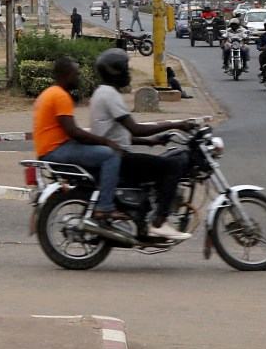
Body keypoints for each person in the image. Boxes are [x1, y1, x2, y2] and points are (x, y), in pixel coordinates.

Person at [87, 49, 197, 241]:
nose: (129, 73)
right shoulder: (109, 95)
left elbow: (119, 134)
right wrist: (177, 124)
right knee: (172, 166)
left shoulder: (102, 92)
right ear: (116, 72)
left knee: (158, 165)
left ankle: (146, 215)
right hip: (119, 157)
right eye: (126, 69)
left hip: (115, 153)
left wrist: (151, 141)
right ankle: (160, 223)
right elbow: (136, 129)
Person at [31, 56, 125, 236]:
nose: (78, 78)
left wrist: (93, 141)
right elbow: (73, 131)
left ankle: (98, 196)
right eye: (76, 74)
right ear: (66, 75)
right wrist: (105, 141)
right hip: (57, 150)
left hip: (49, 149)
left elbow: (71, 132)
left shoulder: (47, 94)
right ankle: (105, 207)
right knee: (110, 155)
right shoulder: (60, 96)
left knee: (98, 153)